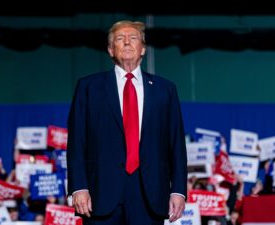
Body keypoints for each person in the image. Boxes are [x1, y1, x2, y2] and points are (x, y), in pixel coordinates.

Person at [66, 20, 187, 225]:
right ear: (111, 50)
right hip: (100, 194)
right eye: (120, 39)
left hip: (150, 194)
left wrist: (178, 191)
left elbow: (176, 144)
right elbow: (77, 142)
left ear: (143, 49)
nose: (127, 42)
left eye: (133, 38)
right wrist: (79, 187)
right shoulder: (88, 87)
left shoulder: (165, 89)